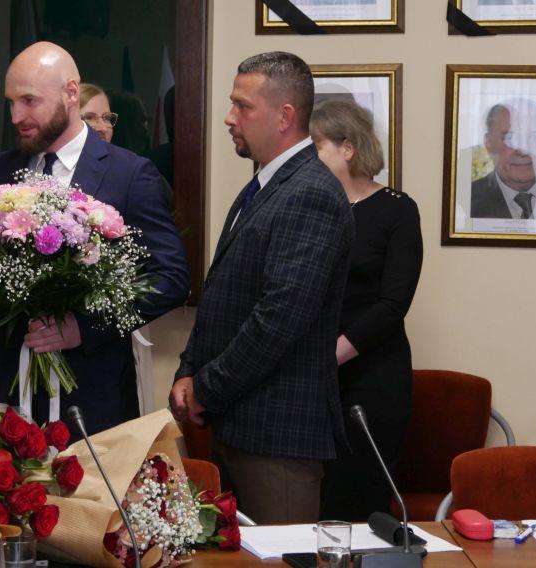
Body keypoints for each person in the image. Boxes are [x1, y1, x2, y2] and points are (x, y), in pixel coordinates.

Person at [0, 42, 189, 437]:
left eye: (29, 101)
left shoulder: (130, 174)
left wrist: (84, 327)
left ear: (71, 93)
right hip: (13, 389)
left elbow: (171, 278)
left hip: (94, 396)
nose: (16, 116)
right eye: (11, 103)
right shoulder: (0, 168)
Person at [169, 51, 355, 524]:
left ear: (285, 116)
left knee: (279, 556)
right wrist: (188, 370)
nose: (229, 118)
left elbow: (278, 318)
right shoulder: (266, 185)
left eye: (243, 106)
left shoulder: (310, 191)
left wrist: (206, 387)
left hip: (278, 439)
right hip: (240, 426)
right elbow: (222, 296)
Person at [309, 100, 423, 521]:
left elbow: (393, 304)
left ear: (348, 148)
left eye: (316, 147)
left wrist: (331, 356)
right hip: (313, 378)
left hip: (373, 378)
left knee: (358, 501)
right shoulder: (312, 207)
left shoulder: (397, 209)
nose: (308, 158)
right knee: (313, 506)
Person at [471, 98, 536, 220]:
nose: (523, 150)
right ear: (489, 144)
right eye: (509, 137)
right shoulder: (465, 200)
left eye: (535, 136)